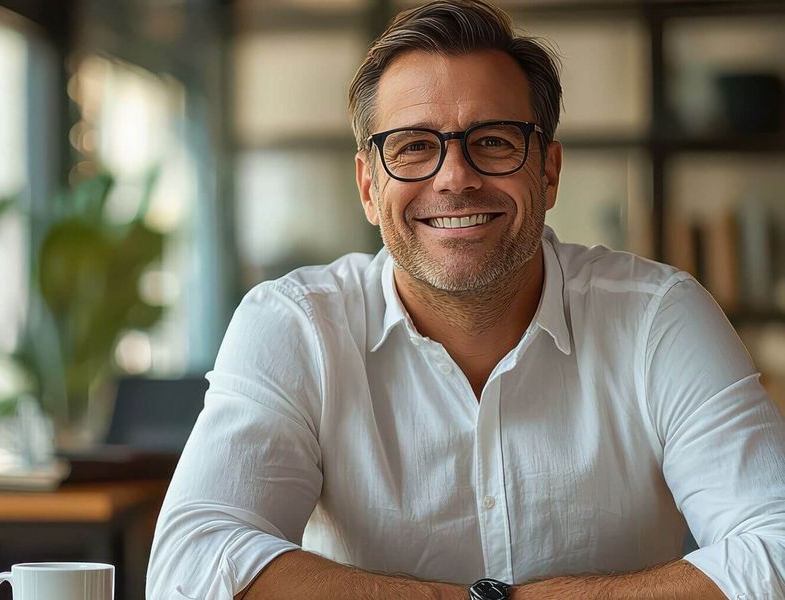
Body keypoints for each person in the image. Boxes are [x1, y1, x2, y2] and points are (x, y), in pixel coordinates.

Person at [147, 1, 785, 598]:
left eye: (495, 140)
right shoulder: (296, 324)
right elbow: (192, 564)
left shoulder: (659, 317)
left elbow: (776, 544)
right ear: (369, 188)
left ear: (549, 171)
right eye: (414, 146)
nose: (454, 176)